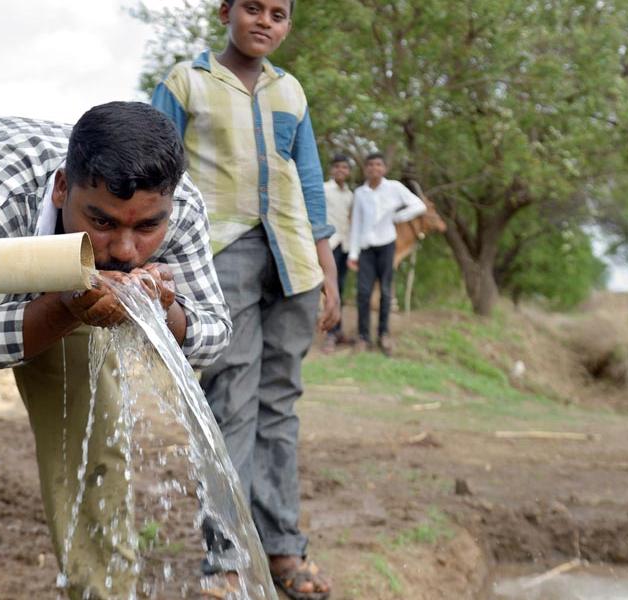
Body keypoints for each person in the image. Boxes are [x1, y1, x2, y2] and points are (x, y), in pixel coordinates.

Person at [0, 103, 231, 600]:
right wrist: (69, 306)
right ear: (60, 189)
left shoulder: (179, 207)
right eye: (102, 221)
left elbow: (214, 332)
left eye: (145, 230)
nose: (123, 251)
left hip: (67, 279)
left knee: (94, 447)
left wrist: (164, 308)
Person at [151, 0, 339, 597]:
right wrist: (156, 259)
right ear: (225, 12)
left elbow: (307, 180)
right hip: (219, 254)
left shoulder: (291, 92)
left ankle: (283, 548)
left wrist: (327, 267)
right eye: (252, 8)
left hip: (293, 261)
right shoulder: (186, 83)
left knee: (280, 405)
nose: (265, 22)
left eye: (279, 14)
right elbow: (157, 173)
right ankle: (226, 562)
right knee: (232, 402)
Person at [347, 152, 426, 355]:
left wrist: (398, 216)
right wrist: (353, 254)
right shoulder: (360, 193)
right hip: (366, 248)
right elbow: (356, 224)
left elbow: (419, 205)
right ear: (366, 169)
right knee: (363, 293)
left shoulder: (394, 188)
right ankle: (363, 336)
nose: (374, 168)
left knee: (385, 291)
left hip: (386, 245)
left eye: (378, 164)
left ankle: (384, 333)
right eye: (370, 165)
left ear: (385, 168)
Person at [322, 154, 353, 353]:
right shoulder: (324, 190)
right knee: (329, 288)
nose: (341, 170)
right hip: (328, 245)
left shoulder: (350, 195)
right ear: (332, 170)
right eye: (337, 167)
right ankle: (329, 334)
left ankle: (337, 330)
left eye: (345, 167)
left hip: (344, 246)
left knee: (340, 287)